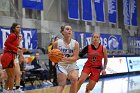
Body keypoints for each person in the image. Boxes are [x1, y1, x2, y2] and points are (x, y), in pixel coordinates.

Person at [52, 25, 80, 93]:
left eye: (70, 29)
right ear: (62, 32)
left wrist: (64, 58)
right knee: (62, 84)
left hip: (72, 65)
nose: (69, 30)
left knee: (75, 78)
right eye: (67, 29)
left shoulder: (75, 43)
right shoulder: (56, 43)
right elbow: (53, 55)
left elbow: (75, 58)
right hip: (61, 65)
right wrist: (54, 59)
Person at [1, 23, 23, 93]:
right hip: (8, 56)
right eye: (17, 27)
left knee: (10, 76)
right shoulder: (13, 35)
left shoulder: (16, 36)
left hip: (10, 56)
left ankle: (5, 90)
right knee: (12, 76)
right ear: (13, 28)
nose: (19, 28)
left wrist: (20, 49)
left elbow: (13, 46)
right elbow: (6, 43)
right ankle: (10, 91)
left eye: (19, 27)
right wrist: (17, 50)